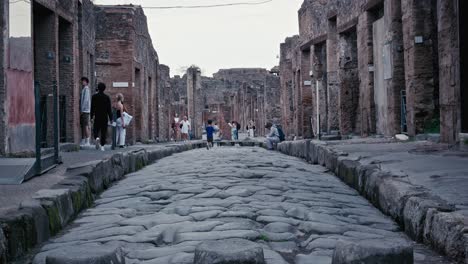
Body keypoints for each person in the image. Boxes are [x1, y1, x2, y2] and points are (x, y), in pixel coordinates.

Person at [91, 83, 112, 151]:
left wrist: (91, 116)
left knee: (95, 129)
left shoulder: (94, 97)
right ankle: (102, 146)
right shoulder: (107, 97)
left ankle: (96, 137)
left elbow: (92, 108)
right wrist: (111, 118)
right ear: (104, 88)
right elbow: (109, 109)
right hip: (104, 117)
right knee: (103, 131)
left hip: (97, 116)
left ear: (98, 88)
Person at [80, 77, 91, 146]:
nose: (82, 82)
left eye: (83, 81)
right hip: (85, 110)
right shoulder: (84, 89)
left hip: (85, 110)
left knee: (86, 125)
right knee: (83, 125)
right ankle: (84, 140)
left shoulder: (86, 89)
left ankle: (87, 141)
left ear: (86, 82)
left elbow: (85, 100)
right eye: (82, 81)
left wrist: (82, 109)